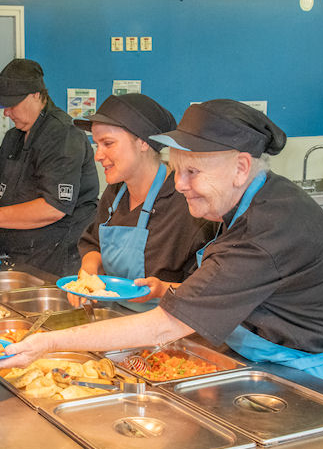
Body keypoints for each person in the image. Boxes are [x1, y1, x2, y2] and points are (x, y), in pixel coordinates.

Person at [0, 99, 323, 392]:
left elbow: (164, 326)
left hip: (316, 379)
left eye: (192, 172)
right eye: (177, 170)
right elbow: (237, 291)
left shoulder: (268, 226)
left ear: (240, 167)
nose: (181, 185)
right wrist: (169, 288)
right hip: (260, 363)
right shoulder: (239, 205)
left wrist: (48, 343)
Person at [0, 58, 99, 276]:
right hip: (20, 256)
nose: (6, 112)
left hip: (58, 258)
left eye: (12, 104)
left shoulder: (62, 135)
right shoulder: (14, 136)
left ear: (36, 94)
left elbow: (53, 208)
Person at [72, 93, 217, 310]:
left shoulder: (188, 204)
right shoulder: (115, 193)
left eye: (107, 143)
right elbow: (93, 243)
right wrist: (88, 272)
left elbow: (207, 294)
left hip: (167, 329)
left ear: (143, 142)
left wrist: (162, 289)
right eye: (97, 144)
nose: (98, 155)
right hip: (115, 317)